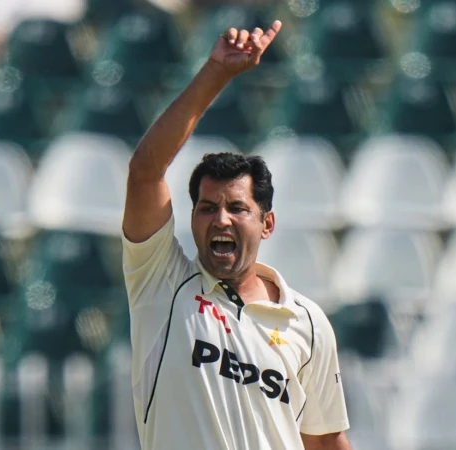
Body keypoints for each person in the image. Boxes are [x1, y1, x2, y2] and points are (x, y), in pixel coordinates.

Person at [122, 19, 352, 450]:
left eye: (237, 208)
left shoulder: (306, 321)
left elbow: (324, 440)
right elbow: (146, 171)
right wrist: (217, 72)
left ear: (267, 224)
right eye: (207, 208)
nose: (221, 220)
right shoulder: (161, 281)